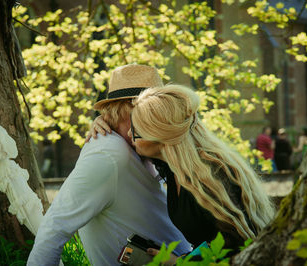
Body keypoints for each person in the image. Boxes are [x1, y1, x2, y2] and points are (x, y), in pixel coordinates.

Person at [27, 65, 191, 266]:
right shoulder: (109, 155)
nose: (154, 124)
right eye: (146, 115)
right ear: (123, 112)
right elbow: (53, 228)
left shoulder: (145, 146)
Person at [91, 84, 275, 261]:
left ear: (160, 136)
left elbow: (236, 245)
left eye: (137, 130)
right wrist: (104, 122)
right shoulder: (170, 167)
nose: (130, 134)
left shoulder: (212, 175)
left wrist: (181, 263)